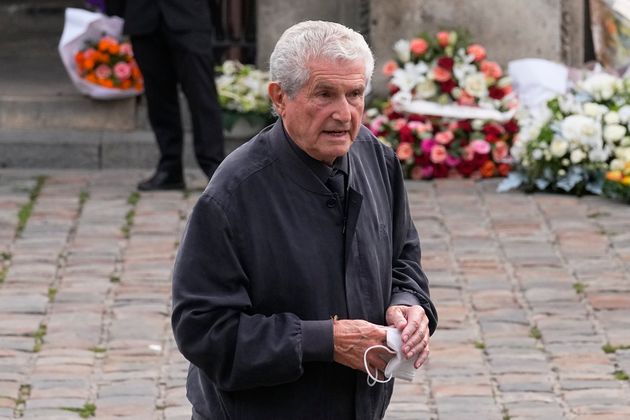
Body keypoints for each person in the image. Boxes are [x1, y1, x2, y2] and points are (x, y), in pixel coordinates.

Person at [171, 20, 438, 419]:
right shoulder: (234, 194)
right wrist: (325, 341)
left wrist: (409, 305)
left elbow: (403, 258)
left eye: (354, 94)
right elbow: (204, 330)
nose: (343, 114)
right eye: (325, 95)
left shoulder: (376, 158)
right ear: (279, 97)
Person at [106, 0, 225, 190]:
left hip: (188, 15)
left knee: (201, 95)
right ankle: (170, 168)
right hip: (143, 15)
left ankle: (215, 166)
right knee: (158, 98)